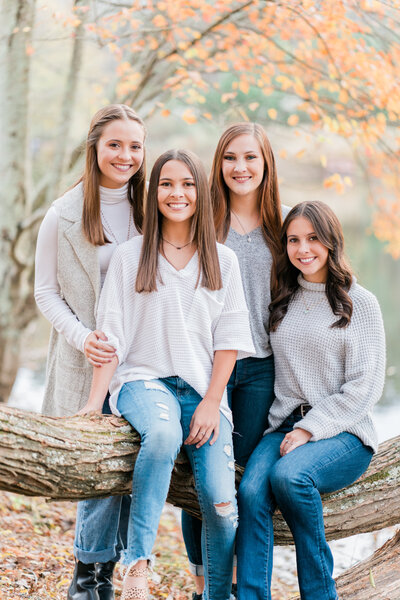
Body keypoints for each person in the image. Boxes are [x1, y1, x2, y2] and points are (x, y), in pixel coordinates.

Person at [78, 149, 255, 600]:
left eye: (187, 184)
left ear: (201, 191)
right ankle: (137, 564)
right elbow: (112, 335)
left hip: (201, 391)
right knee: (160, 434)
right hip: (142, 381)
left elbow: (229, 340)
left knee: (219, 502)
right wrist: (95, 402)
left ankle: (218, 594)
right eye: (166, 184)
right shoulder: (130, 256)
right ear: (153, 192)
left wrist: (213, 403)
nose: (177, 194)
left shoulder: (223, 260)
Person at [236, 200, 386, 600]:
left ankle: (320, 594)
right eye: (294, 240)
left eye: (313, 239)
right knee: (250, 491)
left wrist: (309, 428)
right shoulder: (282, 299)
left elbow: (365, 387)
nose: (304, 249)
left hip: (344, 432)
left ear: (331, 241)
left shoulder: (360, 302)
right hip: (284, 425)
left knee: (290, 477)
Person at [34, 104, 146, 600]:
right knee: (103, 458)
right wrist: (84, 338)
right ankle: (90, 575)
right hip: (91, 356)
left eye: (135, 146)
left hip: (145, 353)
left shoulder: (156, 207)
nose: (125, 156)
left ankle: (116, 561)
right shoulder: (62, 214)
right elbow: (45, 292)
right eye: (115, 145)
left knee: (134, 454)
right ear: (95, 148)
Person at [181, 122, 289, 600]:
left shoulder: (286, 227)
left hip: (261, 369)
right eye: (230, 158)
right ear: (218, 164)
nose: (240, 168)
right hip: (207, 370)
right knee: (203, 474)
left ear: (266, 163)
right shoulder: (202, 222)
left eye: (250, 158)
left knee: (241, 479)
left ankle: (238, 582)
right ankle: (205, 582)